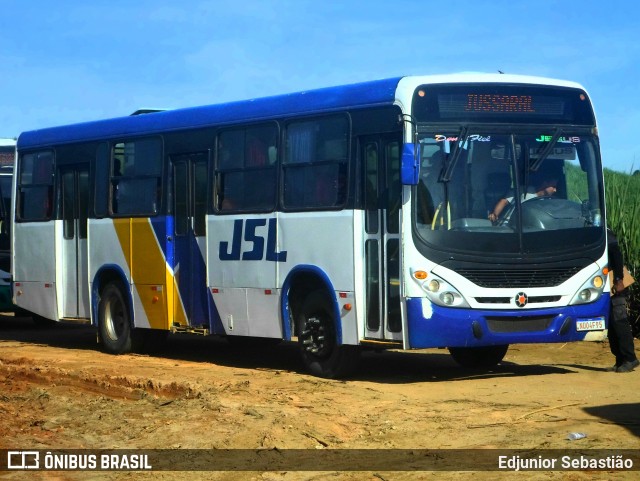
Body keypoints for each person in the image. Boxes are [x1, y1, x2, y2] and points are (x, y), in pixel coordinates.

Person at [606, 228, 639, 372]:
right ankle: (620, 360)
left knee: (619, 321)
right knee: (612, 324)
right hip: (607, 284)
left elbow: (616, 254)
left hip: (616, 284)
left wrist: (618, 279)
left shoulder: (604, 231)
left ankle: (630, 358)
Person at [488, 177, 557, 223]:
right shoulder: (523, 190)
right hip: (509, 224)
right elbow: (503, 202)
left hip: (530, 226)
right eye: (553, 186)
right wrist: (495, 215)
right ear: (545, 184)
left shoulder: (548, 201)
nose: (555, 190)